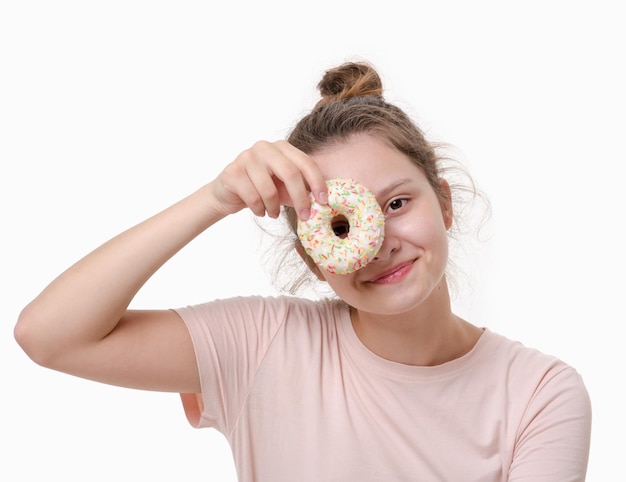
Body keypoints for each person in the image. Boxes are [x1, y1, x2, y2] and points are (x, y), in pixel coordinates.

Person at [14, 60, 592, 481]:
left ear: (443, 203)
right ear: (315, 253)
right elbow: (48, 335)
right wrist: (214, 198)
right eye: (342, 227)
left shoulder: (540, 393)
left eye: (397, 204)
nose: (380, 244)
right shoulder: (264, 346)